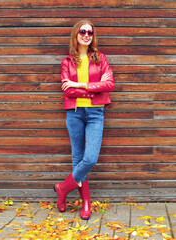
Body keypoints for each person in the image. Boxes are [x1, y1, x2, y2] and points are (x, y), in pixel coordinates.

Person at [54, 19, 115, 220]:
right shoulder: (67, 62)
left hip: (96, 113)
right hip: (74, 113)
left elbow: (109, 85)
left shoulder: (100, 59)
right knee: (77, 158)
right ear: (76, 34)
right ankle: (85, 203)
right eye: (83, 31)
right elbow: (68, 90)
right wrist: (93, 87)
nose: (86, 35)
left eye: (90, 32)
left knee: (90, 159)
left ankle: (63, 188)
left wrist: (81, 85)